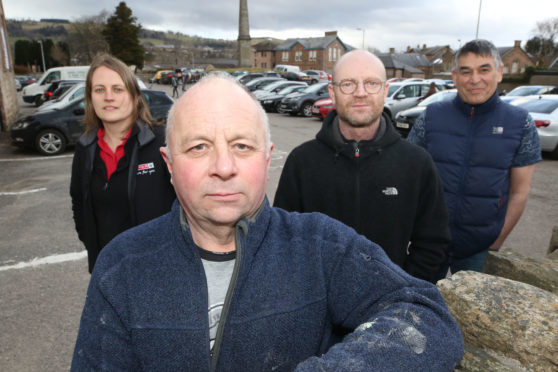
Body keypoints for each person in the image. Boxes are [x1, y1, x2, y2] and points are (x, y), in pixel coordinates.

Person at [71, 74, 463, 371]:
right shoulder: (123, 263)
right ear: (169, 166)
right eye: (198, 147)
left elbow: (427, 317)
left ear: (267, 158)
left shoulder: (320, 244)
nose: (223, 167)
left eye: (242, 146)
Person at [274, 50, 450, 283]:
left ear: (385, 91)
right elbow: (283, 240)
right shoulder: (302, 161)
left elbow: (433, 243)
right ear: (332, 92)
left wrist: (401, 288)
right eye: (348, 84)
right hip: (317, 309)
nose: (360, 93)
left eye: (371, 83)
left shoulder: (417, 163)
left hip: (390, 306)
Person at [407, 39, 542, 280]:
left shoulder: (520, 123)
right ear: (455, 76)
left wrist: (495, 243)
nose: (474, 79)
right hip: (429, 242)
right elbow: (407, 176)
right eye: (466, 71)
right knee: (419, 311)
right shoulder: (431, 117)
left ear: (499, 73)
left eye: (484, 70)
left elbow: (520, 192)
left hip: (480, 247)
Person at [70, 54, 176, 273]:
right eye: (99, 90)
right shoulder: (85, 148)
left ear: (135, 97)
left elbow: (188, 205)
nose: (109, 97)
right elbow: (79, 202)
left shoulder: (162, 142)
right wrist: (92, 244)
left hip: (160, 270)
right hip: (108, 270)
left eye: (118, 89)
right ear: (90, 98)